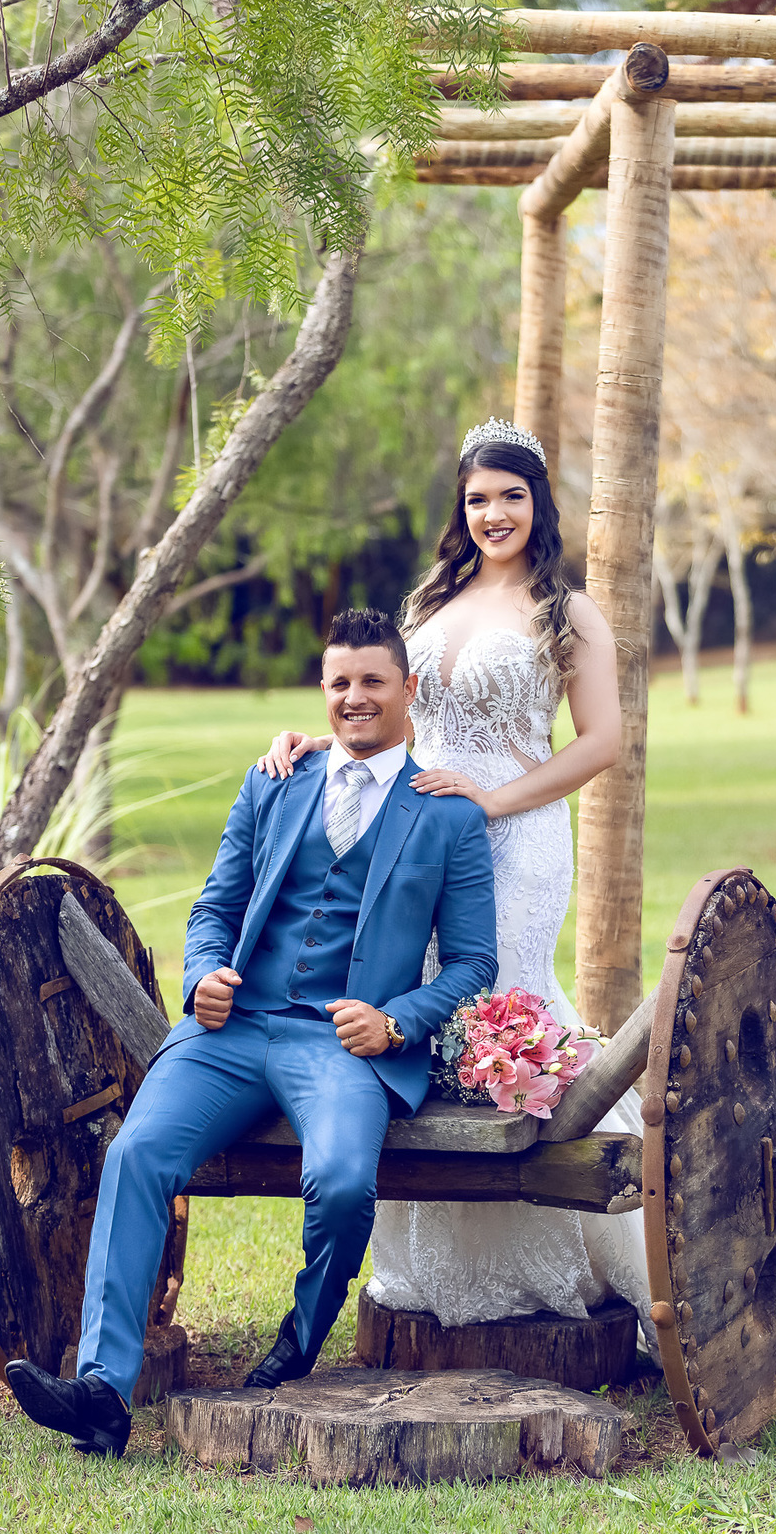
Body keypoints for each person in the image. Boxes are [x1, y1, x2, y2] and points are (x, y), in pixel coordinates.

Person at [5, 608, 498, 1458]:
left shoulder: (446, 816)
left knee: (342, 1181)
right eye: (339, 682)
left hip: (341, 1046)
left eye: (373, 681)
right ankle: (103, 1392)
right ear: (322, 689)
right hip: (232, 1032)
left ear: (409, 689)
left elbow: (472, 960)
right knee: (135, 1154)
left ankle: (299, 1341)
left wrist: (394, 1021)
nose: (355, 697)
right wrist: (203, 977)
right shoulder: (273, 780)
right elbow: (214, 907)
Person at [257, 418, 655, 1346]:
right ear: (462, 508)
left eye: (511, 495)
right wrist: (319, 742)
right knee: (419, 1011)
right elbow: (392, 709)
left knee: (500, 1005)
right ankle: (436, 1258)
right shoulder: (430, 599)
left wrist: (495, 799)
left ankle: (552, 1249)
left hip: (515, 836)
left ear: (538, 503)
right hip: (416, 835)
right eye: (478, 498)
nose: (493, 513)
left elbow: (603, 741)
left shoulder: (568, 612)